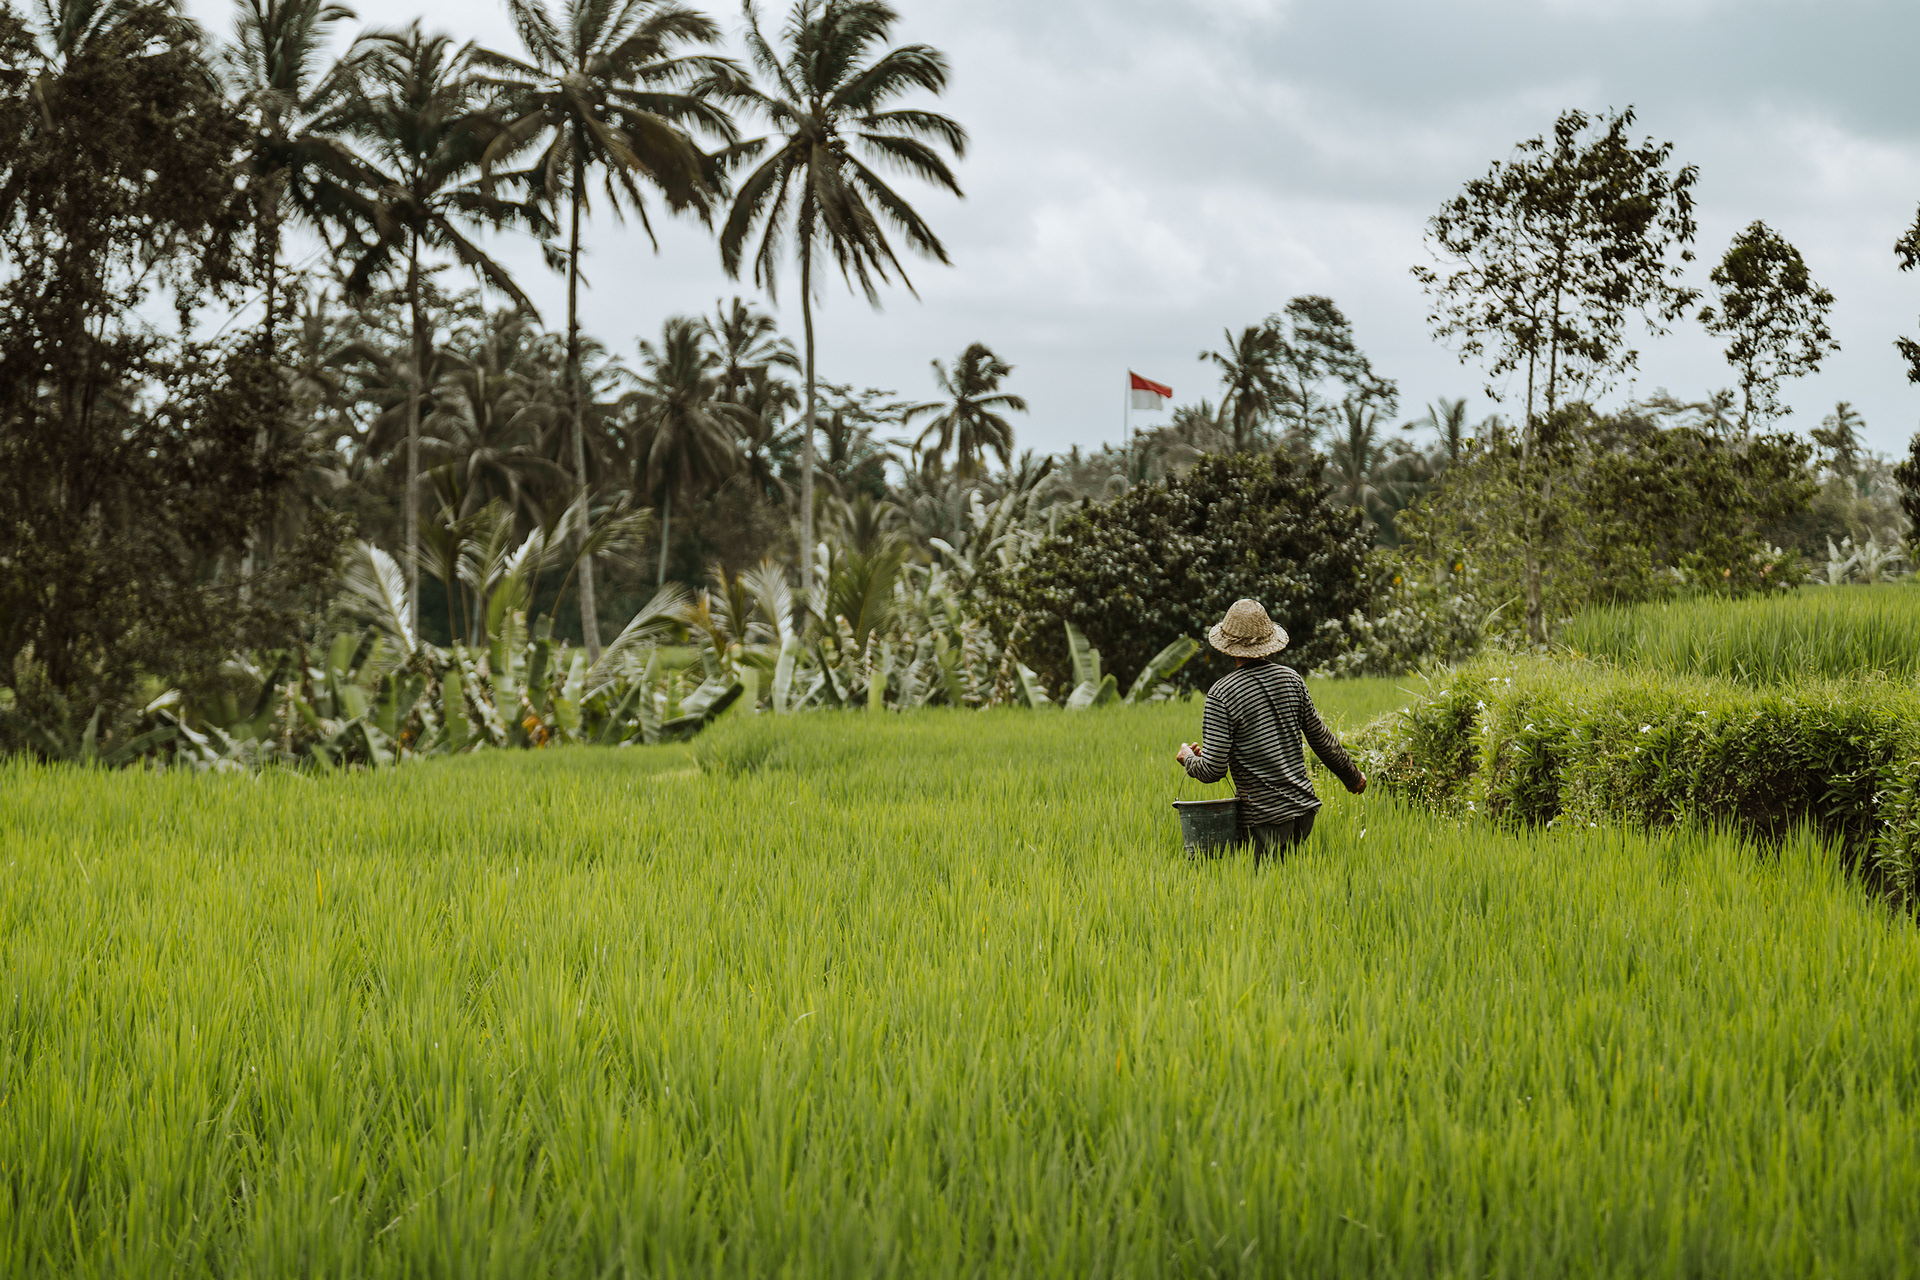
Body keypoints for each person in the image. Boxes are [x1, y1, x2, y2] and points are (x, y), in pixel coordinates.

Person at [1174, 598, 1366, 865]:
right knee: (1291, 889)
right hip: (1303, 811)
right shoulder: (1291, 679)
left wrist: (1188, 759)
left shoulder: (1221, 694)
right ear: (1268, 641)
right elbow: (1320, 738)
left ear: (1228, 646)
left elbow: (1212, 771)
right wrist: (1352, 776)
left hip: (1263, 817)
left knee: (1263, 895)